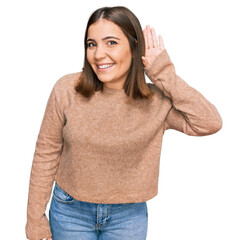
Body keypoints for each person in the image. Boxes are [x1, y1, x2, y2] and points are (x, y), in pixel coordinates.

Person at [25, 6, 222, 240]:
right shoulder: (67, 89)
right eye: (92, 44)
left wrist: (162, 72)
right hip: (70, 211)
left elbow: (209, 122)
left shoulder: (156, 101)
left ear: (135, 46)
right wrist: (34, 220)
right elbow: (46, 153)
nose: (98, 54)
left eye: (111, 43)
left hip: (128, 217)